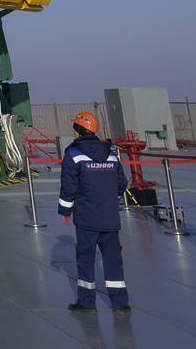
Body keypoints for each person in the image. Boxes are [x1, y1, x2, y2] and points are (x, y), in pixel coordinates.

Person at [58, 111, 130, 315]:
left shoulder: (73, 154)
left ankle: (87, 303)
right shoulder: (111, 154)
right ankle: (120, 303)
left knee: (86, 259)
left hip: (87, 218)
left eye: (75, 127)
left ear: (79, 130)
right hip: (110, 218)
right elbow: (121, 184)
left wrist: (65, 210)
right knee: (113, 259)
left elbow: (69, 186)